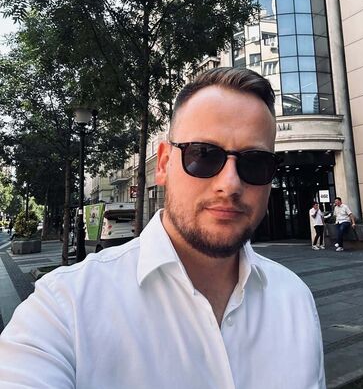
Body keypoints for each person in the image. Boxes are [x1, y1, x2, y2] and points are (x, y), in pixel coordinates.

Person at [0, 68, 325, 388]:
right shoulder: (65, 308)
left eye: (255, 162)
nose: (230, 184)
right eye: (204, 155)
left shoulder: (294, 300)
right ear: (165, 164)